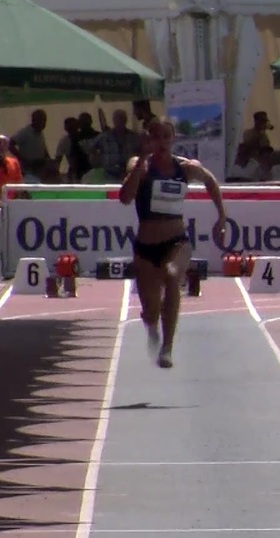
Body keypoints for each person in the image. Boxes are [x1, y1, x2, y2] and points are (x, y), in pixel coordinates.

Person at [118, 117, 227, 369]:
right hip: (145, 249)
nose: (162, 142)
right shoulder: (139, 165)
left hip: (176, 241)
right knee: (149, 312)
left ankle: (167, 347)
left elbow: (210, 182)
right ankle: (153, 327)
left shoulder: (186, 168)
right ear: (148, 140)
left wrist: (221, 216)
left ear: (174, 138)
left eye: (166, 136)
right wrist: (141, 163)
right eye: (156, 137)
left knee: (171, 274)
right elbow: (125, 198)